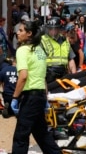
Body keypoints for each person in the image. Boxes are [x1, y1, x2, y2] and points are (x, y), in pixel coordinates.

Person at [10, 20, 62, 154]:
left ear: (29, 33)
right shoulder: (39, 50)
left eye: (21, 31)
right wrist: (44, 97)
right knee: (41, 134)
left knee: (21, 136)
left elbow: (23, 76)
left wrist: (15, 98)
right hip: (39, 95)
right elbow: (42, 76)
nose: (17, 33)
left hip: (30, 96)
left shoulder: (23, 50)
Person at [41, 16, 76, 84]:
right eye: (50, 29)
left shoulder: (65, 41)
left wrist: (74, 75)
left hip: (63, 73)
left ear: (59, 29)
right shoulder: (43, 40)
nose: (52, 31)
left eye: (54, 28)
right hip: (49, 74)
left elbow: (71, 59)